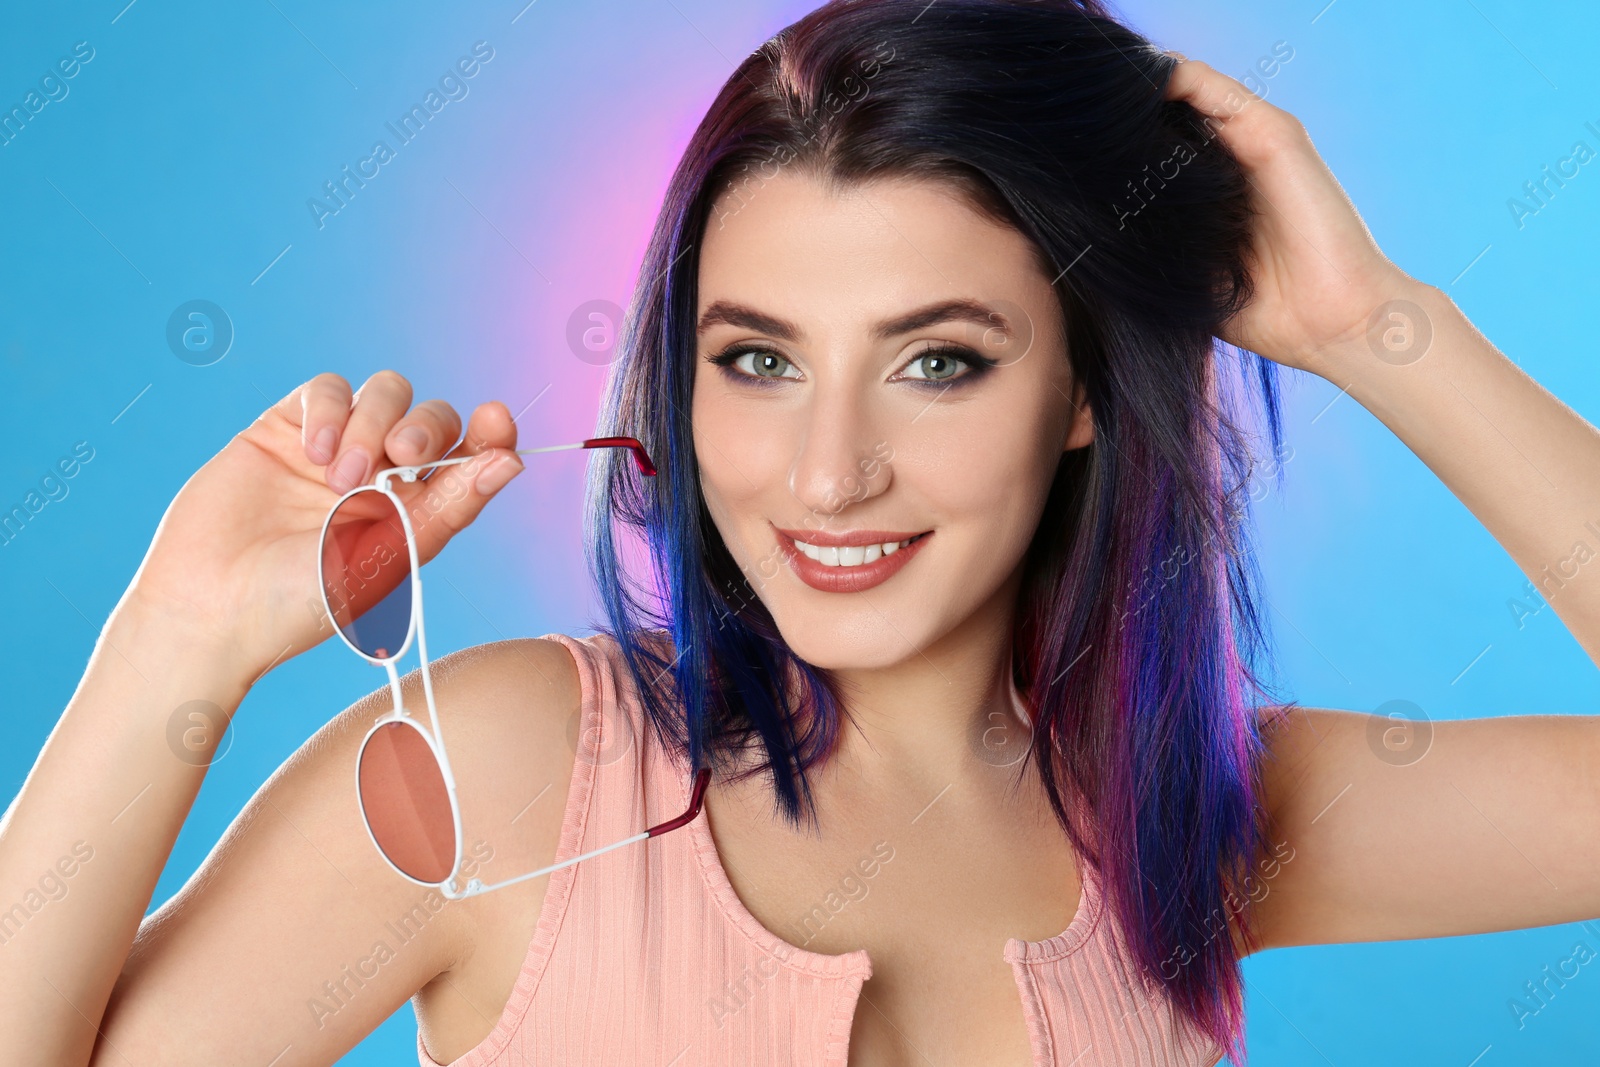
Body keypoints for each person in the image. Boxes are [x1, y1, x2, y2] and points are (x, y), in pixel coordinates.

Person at [4, 1, 1598, 1064]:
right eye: (758, 360)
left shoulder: (1195, 815)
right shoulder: (501, 778)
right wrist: (179, 647)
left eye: (938, 362)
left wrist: (1379, 324)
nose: (826, 476)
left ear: (1089, 391)